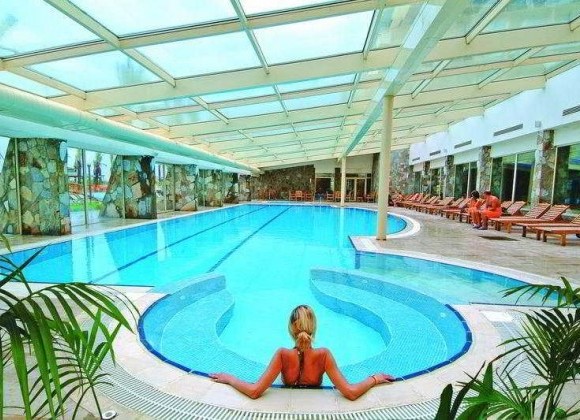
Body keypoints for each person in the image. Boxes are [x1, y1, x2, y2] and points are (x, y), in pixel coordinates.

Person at [210, 305, 395, 400]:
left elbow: (254, 391)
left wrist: (230, 378)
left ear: (291, 328)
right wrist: (375, 379)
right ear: (314, 327)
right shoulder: (324, 355)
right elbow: (351, 393)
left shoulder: (282, 355)